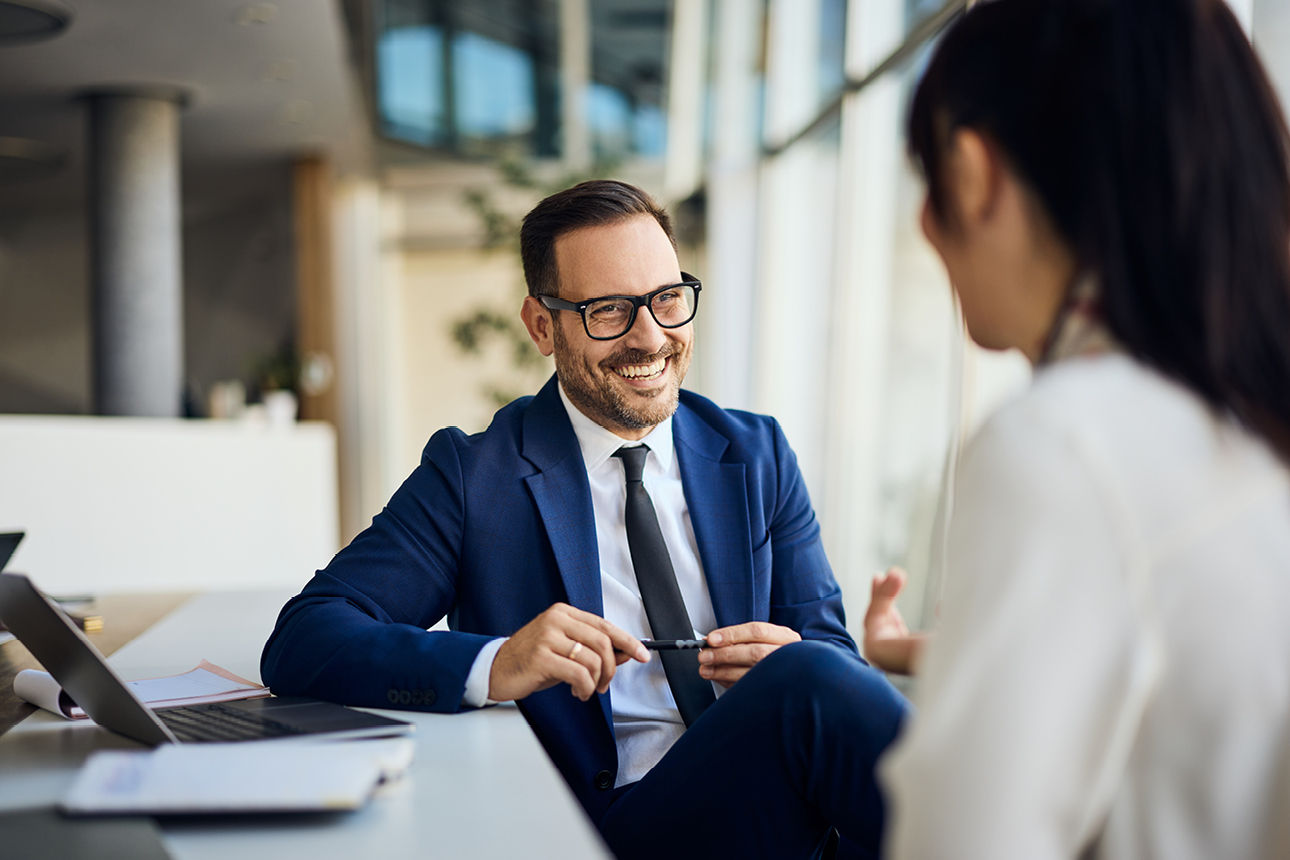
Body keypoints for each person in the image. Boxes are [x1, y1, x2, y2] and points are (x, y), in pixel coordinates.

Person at [261, 180, 908, 858]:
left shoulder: (756, 452)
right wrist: (497, 661)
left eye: (666, 299)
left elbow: (832, 661)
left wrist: (790, 658)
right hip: (612, 829)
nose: (651, 337)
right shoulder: (473, 475)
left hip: (781, 812)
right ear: (543, 326)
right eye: (608, 311)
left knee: (809, 675)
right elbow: (305, 639)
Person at [876, 1, 1290, 857]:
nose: (924, 227)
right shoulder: (1246, 418)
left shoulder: (1066, 442)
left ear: (971, 171)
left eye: (925, 181)